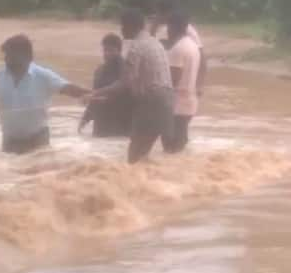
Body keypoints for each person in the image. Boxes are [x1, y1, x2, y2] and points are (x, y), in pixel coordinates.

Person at [87, 9, 175, 163]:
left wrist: (95, 93)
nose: (121, 30)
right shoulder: (155, 43)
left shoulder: (136, 48)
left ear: (130, 26)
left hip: (152, 102)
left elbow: (124, 83)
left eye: (122, 26)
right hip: (167, 101)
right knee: (144, 154)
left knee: (134, 157)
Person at [0, 34, 91, 154]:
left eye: (10, 55)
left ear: (25, 56)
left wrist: (89, 95)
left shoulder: (43, 75)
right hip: (10, 141)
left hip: (38, 140)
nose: (6, 59)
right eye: (6, 55)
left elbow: (68, 88)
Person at [149, 0, 207, 96]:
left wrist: (200, 85)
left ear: (167, 12)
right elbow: (153, 48)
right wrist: (153, 28)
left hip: (182, 81)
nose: (156, 15)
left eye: (158, 12)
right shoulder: (165, 29)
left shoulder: (186, 29)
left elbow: (202, 57)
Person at [79, 33, 132, 137]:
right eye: (105, 50)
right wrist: (85, 119)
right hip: (102, 122)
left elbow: (124, 89)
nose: (107, 53)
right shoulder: (99, 71)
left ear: (119, 51)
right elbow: (94, 98)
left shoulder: (127, 70)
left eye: (111, 50)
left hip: (122, 122)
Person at [163, 10, 201, 153]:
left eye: (168, 26)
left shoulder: (177, 49)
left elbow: (172, 81)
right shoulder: (192, 45)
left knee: (170, 148)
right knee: (179, 146)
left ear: (172, 27)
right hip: (189, 102)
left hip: (176, 106)